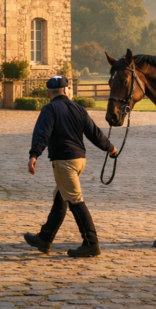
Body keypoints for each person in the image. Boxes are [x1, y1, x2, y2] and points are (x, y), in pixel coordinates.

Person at [25, 75, 117, 257]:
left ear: (48, 93)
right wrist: (111, 148)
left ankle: (91, 243)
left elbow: (42, 132)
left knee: (75, 200)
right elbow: (94, 133)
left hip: (64, 162)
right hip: (79, 161)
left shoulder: (49, 109)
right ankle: (45, 238)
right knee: (61, 197)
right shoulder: (78, 108)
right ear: (66, 90)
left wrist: (34, 154)